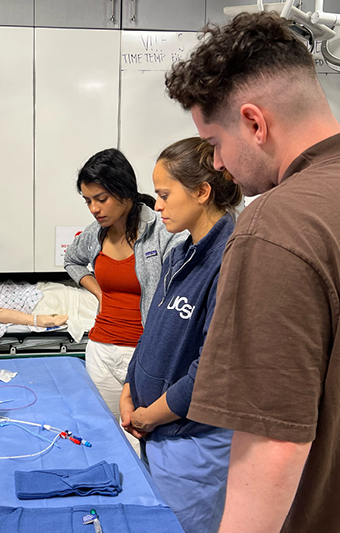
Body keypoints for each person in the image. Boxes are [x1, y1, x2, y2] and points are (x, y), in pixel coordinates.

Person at [165, 11, 340, 533]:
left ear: (254, 122)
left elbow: (273, 439)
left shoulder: (277, 226)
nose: (220, 165)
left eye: (215, 145)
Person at [119, 137, 241, 532]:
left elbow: (211, 369)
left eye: (164, 194)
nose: (157, 206)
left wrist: (149, 415)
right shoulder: (178, 255)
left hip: (191, 440)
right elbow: (153, 330)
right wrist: (128, 386)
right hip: (156, 431)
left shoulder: (230, 261)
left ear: (202, 192)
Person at [64, 148, 184, 424]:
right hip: (101, 348)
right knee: (109, 430)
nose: (94, 208)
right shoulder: (96, 232)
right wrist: (97, 290)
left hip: (144, 352)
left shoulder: (162, 231)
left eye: (101, 199)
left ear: (124, 192)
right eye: (88, 201)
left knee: (141, 434)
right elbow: (72, 260)